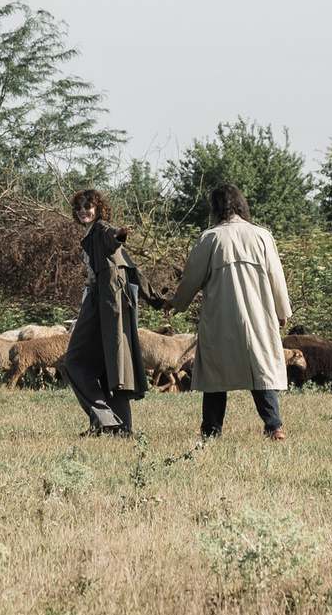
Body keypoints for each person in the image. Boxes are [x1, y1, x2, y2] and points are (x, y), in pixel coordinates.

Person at [144, 182, 294, 444]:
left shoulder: (210, 238)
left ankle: (211, 431)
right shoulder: (262, 235)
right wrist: (282, 311)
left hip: (221, 317)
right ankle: (274, 427)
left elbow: (192, 278)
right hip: (258, 317)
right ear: (240, 204)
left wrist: (176, 303)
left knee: (215, 373)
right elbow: (276, 278)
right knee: (261, 370)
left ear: (215, 207)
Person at [61, 188, 149, 436]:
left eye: (88, 205)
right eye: (78, 206)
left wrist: (119, 234)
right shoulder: (91, 232)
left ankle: (105, 420)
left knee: (74, 361)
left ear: (98, 208)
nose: (82, 210)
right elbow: (131, 267)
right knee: (108, 365)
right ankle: (121, 428)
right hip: (103, 302)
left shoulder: (101, 229)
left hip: (102, 303)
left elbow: (112, 236)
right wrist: (155, 300)